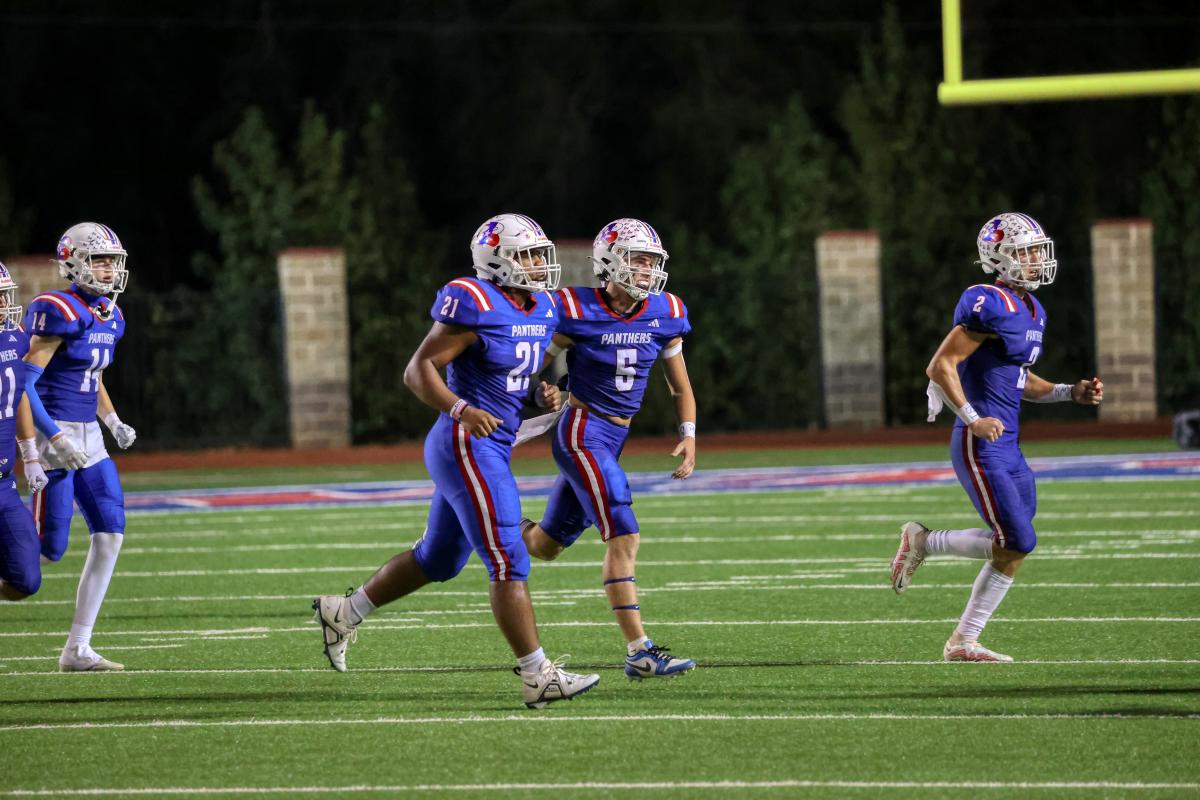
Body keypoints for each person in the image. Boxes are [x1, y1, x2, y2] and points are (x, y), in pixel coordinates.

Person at [313, 213, 600, 709]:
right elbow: (417, 370)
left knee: (440, 559)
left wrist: (539, 393)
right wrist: (461, 409)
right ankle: (538, 675)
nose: (538, 264)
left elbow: (510, 374)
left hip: (489, 444)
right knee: (508, 558)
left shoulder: (540, 306)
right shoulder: (474, 301)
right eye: (527, 255)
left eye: (539, 254)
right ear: (497, 260)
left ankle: (345, 611)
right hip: (466, 444)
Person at [890, 212, 1103, 662]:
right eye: (1026, 251)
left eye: (1037, 250)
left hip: (1009, 444)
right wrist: (971, 418)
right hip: (980, 443)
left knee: (1015, 543)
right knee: (1018, 539)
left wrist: (1069, 392)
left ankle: (963, 641)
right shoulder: (987, 301)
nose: (1036, 259)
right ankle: (924, 542)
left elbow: (1018, 380)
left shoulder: (1033, 309)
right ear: (1000, 257)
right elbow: (940, 366)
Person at [520, 218, 697, 680]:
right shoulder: (575, 308)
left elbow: (679, 386)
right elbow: (536, 363)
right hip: (582, 433)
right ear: (610, 262)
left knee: (546, 545)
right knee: (624, 533)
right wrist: (544, 388)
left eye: (651, 262)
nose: (647, 270)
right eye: (638, 260)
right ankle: (640, 651)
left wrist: (689, 433)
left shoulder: (666, 311)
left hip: (613, 439)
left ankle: (481, 523)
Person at [23, 222, 137, 671]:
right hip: (54, 434)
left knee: (110, 535)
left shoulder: (110, 315)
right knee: (48, 550)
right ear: (72, 262)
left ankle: (78, 647)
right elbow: (23, 385)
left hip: (89, 434)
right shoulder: (58, 310)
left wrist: (112, 421)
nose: (108, 269)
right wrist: (54, 436)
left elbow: (93, 376)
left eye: (113, 260)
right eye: (99, 259)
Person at [0, 262, 51, 601]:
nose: (3, 303)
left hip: (4, 483)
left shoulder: (13, 336)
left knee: (26, 579)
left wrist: (30, 455)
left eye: (4, 295)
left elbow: (17, 396)